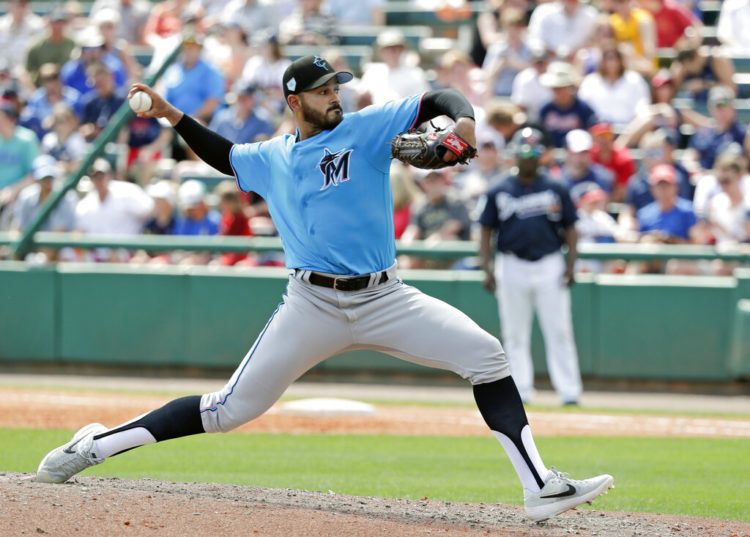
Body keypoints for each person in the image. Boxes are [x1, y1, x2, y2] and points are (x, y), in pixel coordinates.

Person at [35, 55, 613, 523]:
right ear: (295, 102)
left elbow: (439, 101)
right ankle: (96, 446)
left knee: (488, 357)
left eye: (337, 85)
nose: (335, 95)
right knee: (227, 410)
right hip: (310, 303)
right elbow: (222, 157)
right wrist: (170, 114)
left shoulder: (365, 127)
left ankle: (539, 486)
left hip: (387, 298)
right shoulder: (272, 158)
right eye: (323, 90)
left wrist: (462, 128)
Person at [479, 126, 584, 407]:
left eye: (533, 152)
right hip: (511, 263)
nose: (528, 157)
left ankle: (569, 391)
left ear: (542, 155)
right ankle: (521, 390)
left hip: (550, 262)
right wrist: (487, 268)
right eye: (523, 152)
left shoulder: (556, 187)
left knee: (559, 330)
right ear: (514, 154)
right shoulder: (499, 188)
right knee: (514, 333)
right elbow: (486, 230)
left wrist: (571, 265)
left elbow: (572, 229)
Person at [537, 61, 597, 148]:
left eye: (561, 88)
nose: (558, 92)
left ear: (570, 87)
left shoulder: (583, 108)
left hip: (578, 154)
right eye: (555, 88)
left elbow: (592, 132)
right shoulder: (545, 109)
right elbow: (542, 136)